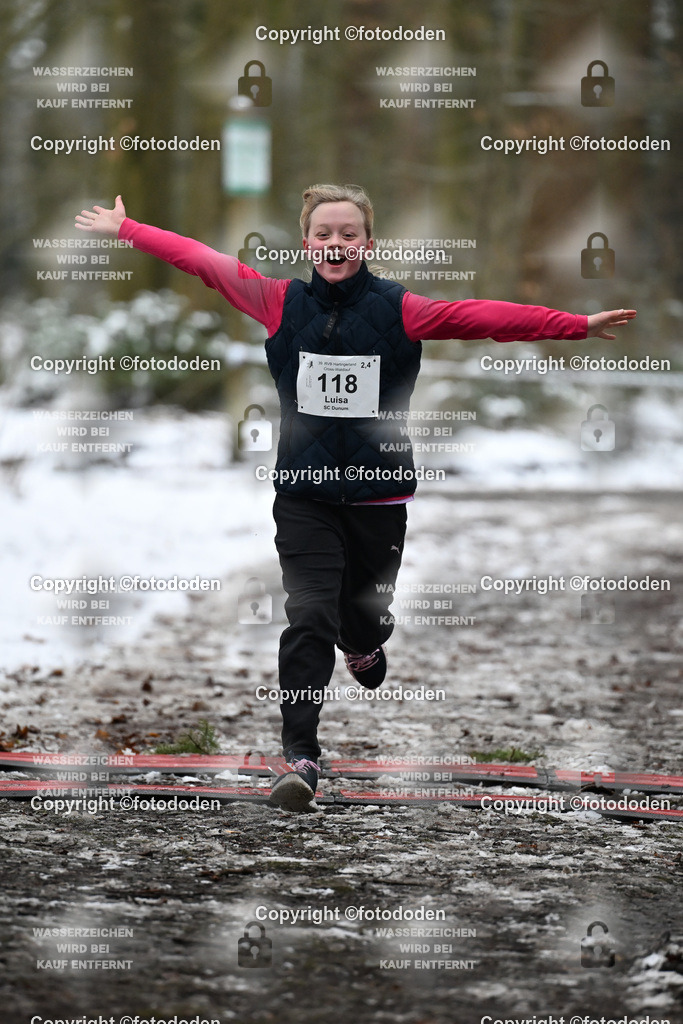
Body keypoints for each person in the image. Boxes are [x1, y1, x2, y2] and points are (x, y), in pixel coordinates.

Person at [76, 185, 636, 812]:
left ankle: (364, 639)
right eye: (323, 234)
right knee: (309, 614)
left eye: (348, 234)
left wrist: (576, 327)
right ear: (306, 241)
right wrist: (130, 230)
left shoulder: (402, 309)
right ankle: (299, 757)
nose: (335, 244)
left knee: (360, 616)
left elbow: (482, 317)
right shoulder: (277, 301)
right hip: (304, 498)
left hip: (378, 498)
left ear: (367, 243)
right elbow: (204, 262)